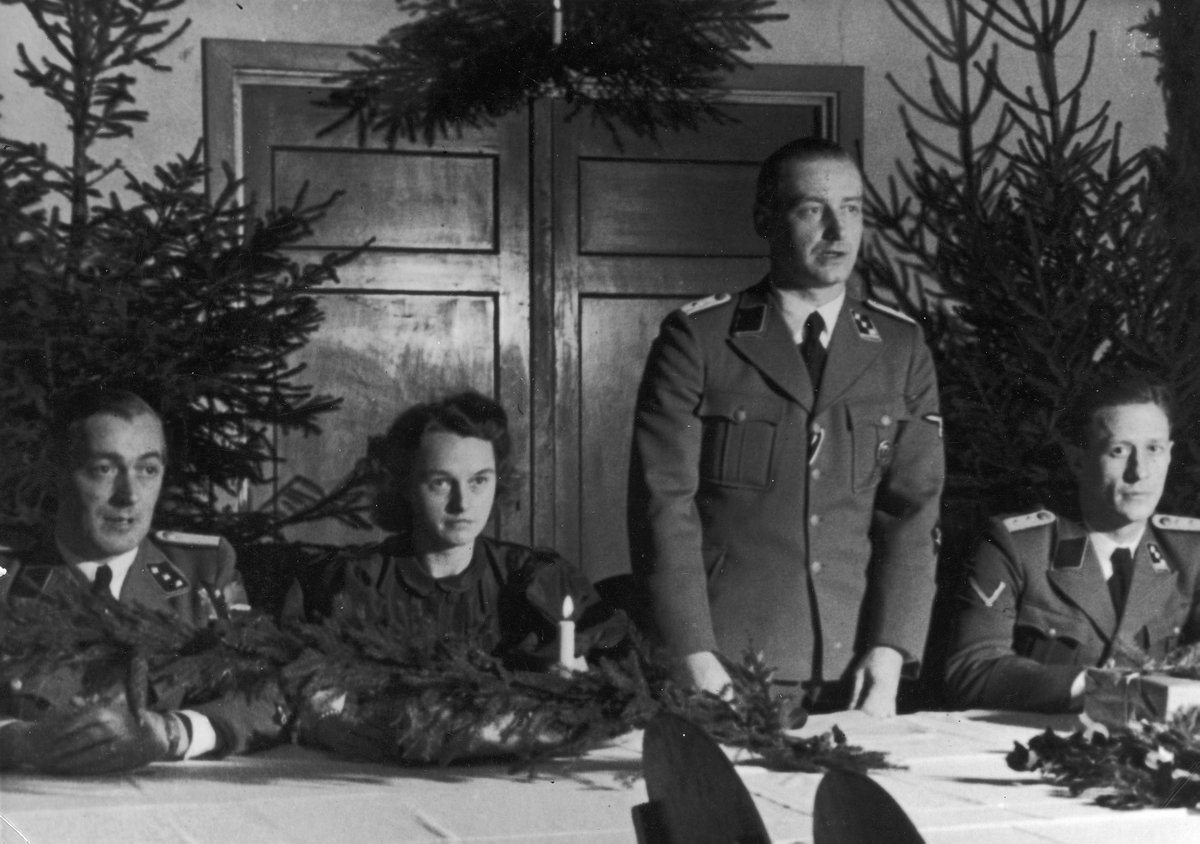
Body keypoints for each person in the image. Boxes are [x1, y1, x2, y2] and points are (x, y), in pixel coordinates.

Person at [628, 137, 945, 717]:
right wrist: (693, 654)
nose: (838, 230)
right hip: (726, 662)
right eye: (812, 209)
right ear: (765, 220)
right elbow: (662, 506)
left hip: (858, 666)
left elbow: (913, 510)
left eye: (852, 209)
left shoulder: (900, 346)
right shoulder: (700, 339)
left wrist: (892, 649)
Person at [283, 391, 629, 760]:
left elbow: (629, 681)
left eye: (479, 481)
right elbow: (287, 681)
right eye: (441, 483)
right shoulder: (356, 582)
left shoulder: (535, 581)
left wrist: (584, 678)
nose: (462, 503)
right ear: (405, 485)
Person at [0, 387, 286, 774]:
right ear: (57, 473)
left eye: (147, 469)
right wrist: (18, 742)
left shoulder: (202, 572)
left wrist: (169, 733)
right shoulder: (8, 577)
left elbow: (267, 695)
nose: (129, 495)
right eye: (104, 469)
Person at [945, 375, 1200, 712]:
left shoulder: (1190, 553)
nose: (1140, 472)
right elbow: (973, 669)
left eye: (1153, 449)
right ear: (1078, 461)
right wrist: (1100, 690)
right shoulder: (1020, 547)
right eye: (1119, 451)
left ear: (1169, 455)